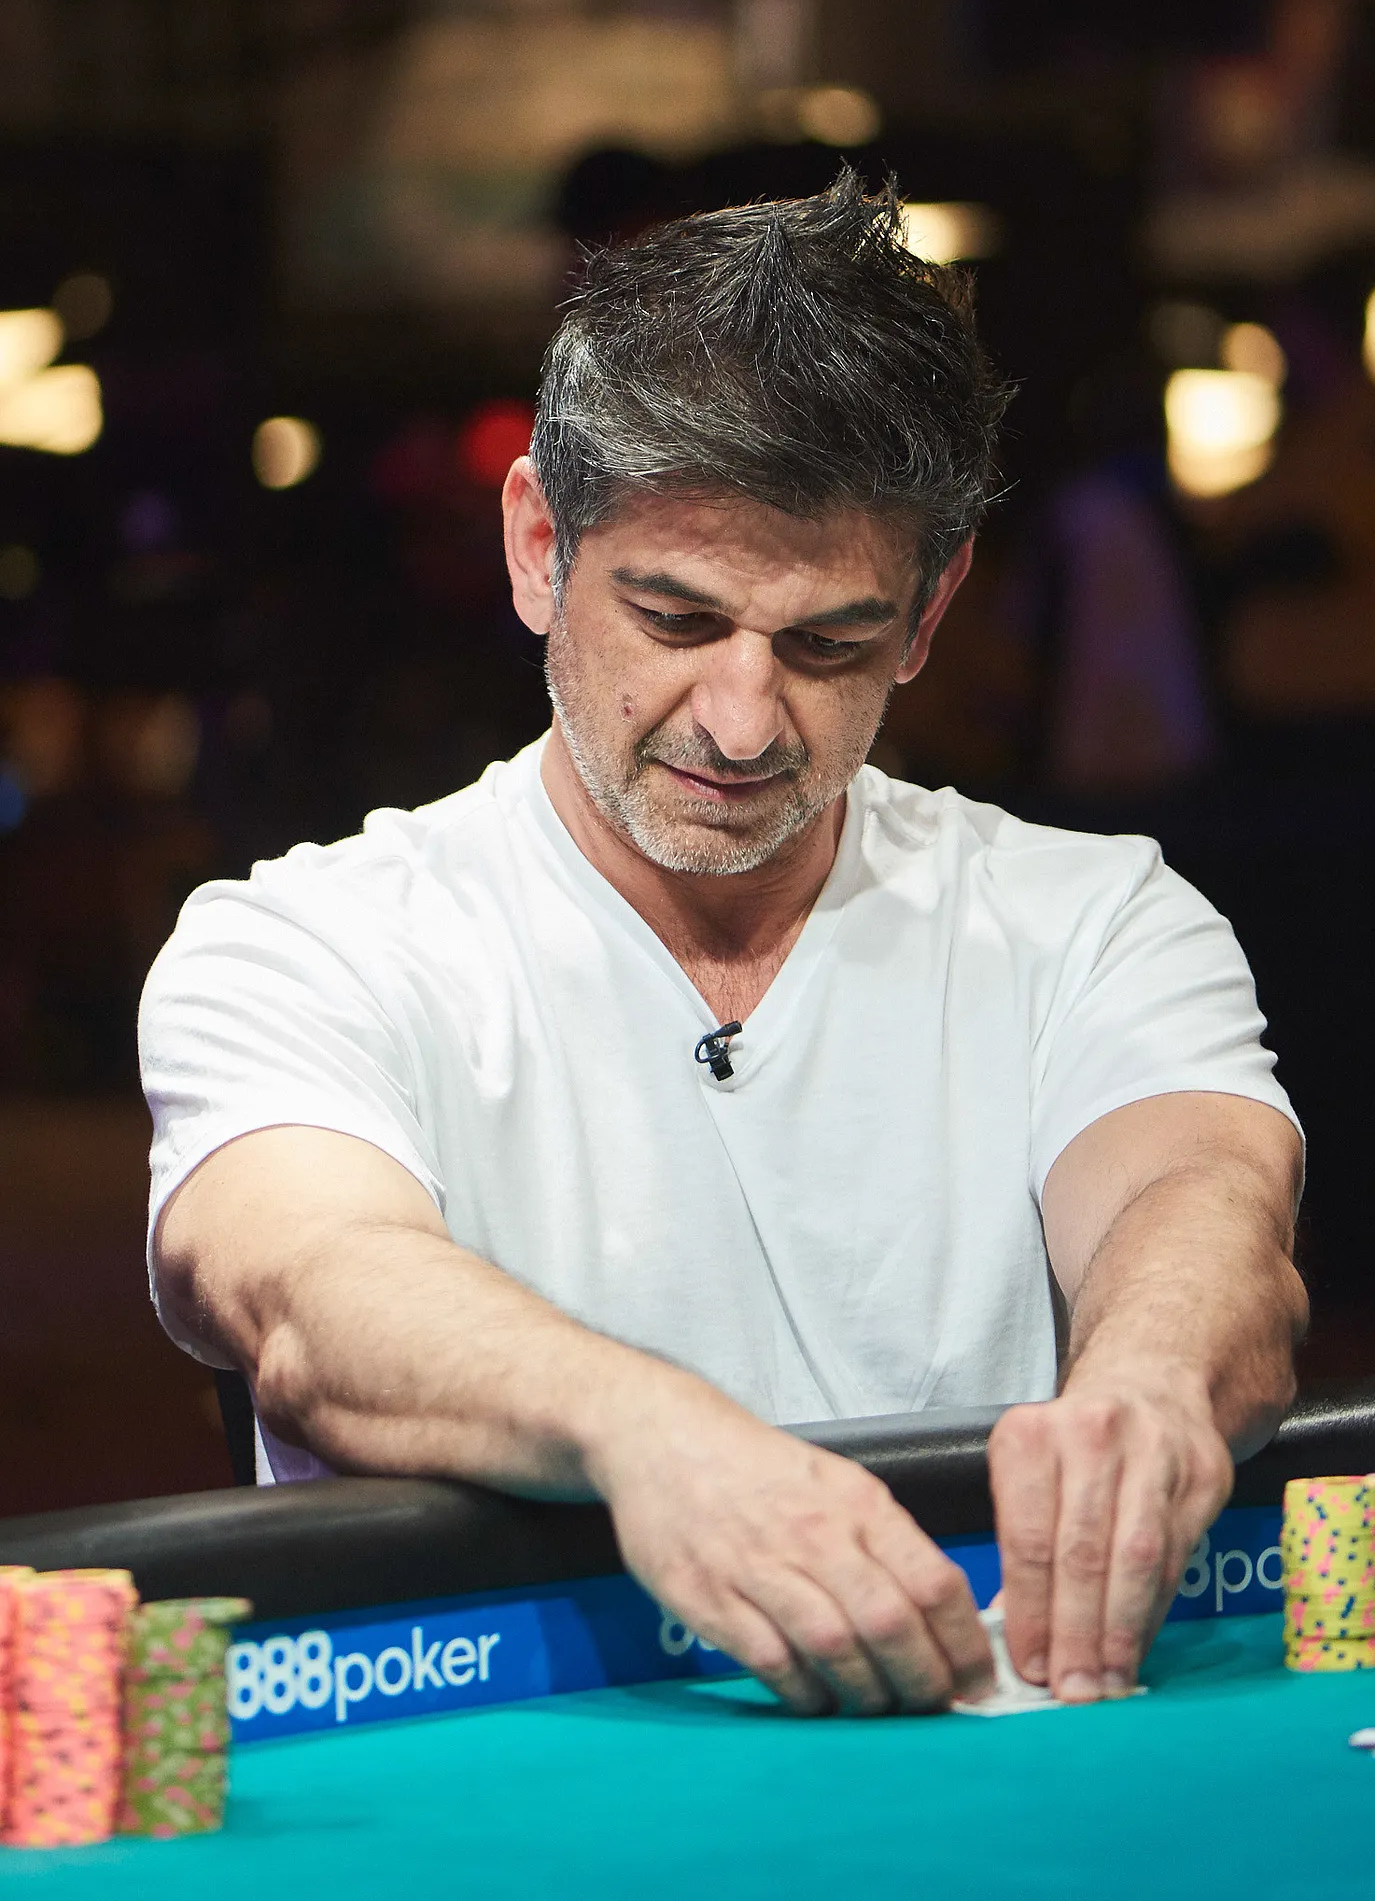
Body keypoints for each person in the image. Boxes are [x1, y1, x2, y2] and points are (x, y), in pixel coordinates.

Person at [141, 172, 1306, 1720]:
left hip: (996, 1748)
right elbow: (313, 1292)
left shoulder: (1092, 918)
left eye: (828, 643)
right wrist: (654, 1440)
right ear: (539, 546)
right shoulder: (303, 945)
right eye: (678, 621)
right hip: (505, 1753)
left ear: (930, 613)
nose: (745, 722)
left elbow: (1198, 1202)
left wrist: (1152, 1383)